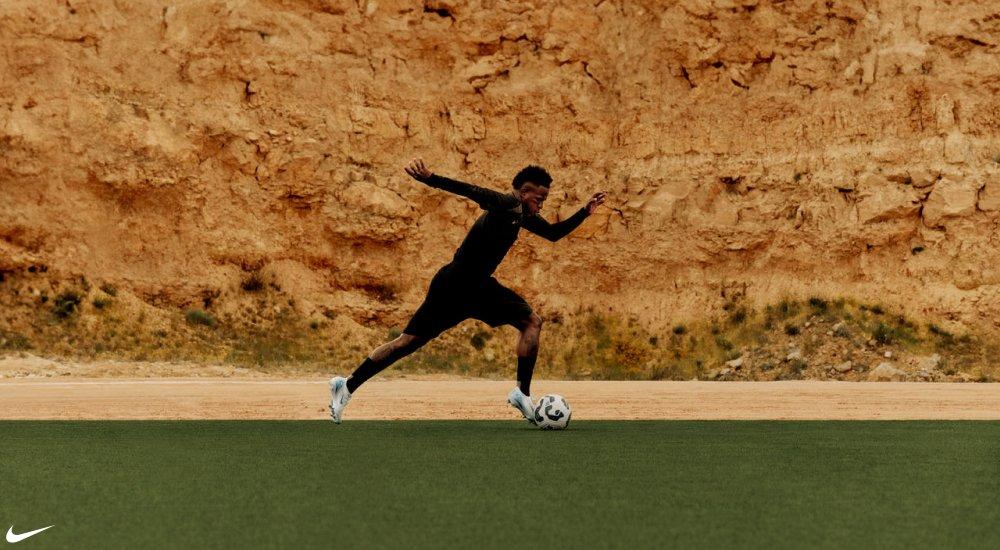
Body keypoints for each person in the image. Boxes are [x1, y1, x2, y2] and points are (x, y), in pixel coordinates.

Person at [329, 158, 606, 424]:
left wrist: (584, 212)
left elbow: (553, 234)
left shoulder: (520, 215)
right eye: (539, 199)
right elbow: (474, 191)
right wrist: (431, 179)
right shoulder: (508, 204)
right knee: (406, 343)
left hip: (479, 287)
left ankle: (521, 393)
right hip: (454, 285)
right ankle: (347, 385)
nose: (542, 204)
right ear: (524, 193)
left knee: (531, 321)